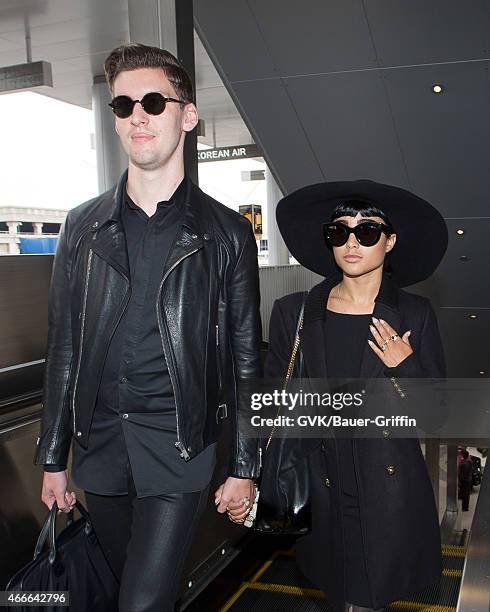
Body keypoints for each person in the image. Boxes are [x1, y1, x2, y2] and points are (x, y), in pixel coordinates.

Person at [34, 43, 261, 611]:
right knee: (124, 591)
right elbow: (63, 348)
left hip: (178, 451)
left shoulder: (225, 234)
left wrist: (244, 468)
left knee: (141, 604)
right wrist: (52, 457)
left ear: (186, 116)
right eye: (123, 105)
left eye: (154, 102)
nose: (137, 115)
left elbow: (245, 362)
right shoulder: (82, 227)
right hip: (101, 451)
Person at [265, 180, 448, 612]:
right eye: (339, 231)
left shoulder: (414, 315)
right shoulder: (294, 312)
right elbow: (274, 401)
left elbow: (437, 416)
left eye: (366, 232)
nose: (352, 242)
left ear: (390, 241)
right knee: (335, 597)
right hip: (321, 487)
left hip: (386, 495)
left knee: (368, 601)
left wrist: (404, 364)